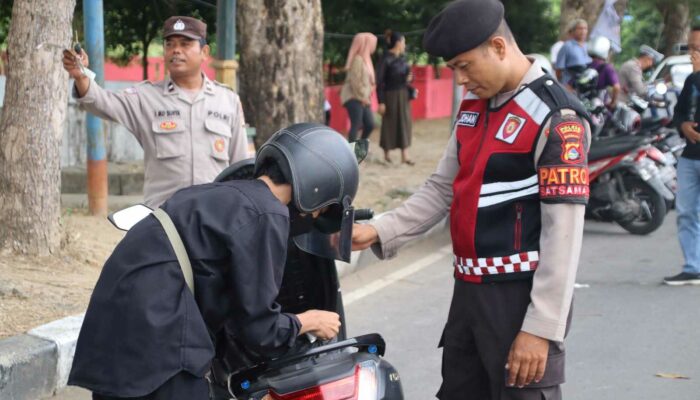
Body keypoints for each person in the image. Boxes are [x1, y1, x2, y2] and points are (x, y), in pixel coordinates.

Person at [352, 1, 591, 399]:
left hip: (519, 300)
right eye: (453, 70)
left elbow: (563, 237)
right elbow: (442, 188)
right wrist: (378, 230)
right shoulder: (475, 107)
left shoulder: (556, 117)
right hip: (468, 295)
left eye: (465, 65)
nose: (460, 80)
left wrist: (541, 327)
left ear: (498, 47)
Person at [67, 123, 359, 399]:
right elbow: (260, 329)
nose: (313, 216)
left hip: (110, 335)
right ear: (318, 189)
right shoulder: (267, 213)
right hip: (158, 345)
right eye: (321, 211)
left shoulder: (215, 194)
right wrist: (308, 321)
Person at [62, 16, 248, 208]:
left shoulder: (227, 100)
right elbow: (102, 102)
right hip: (164, 219)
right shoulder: (146, 97)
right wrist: (81, 77)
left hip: (215, 217)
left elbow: (241, 167)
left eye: (185, 44)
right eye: (170, 44)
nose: (176, 50)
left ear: (204, 52)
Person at [664, 26, 700, 286]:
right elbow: (679, 113)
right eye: (691, 48)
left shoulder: (695, 77)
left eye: (697, 48)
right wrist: (683, 126)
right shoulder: (690, 80)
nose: (692, 54)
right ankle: (692, 266)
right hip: (690, 156)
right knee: (686, 211)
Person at [376, 31, 414, 165]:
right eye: (403, 42)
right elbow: (379, 82)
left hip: (403, 94)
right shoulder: (385, 59)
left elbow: (406, 77)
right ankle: (386, 154)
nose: (405, 45)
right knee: (389, 122)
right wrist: (381, 101)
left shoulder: (403, 59)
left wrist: (409, 79)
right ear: (398, 43)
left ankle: (405, 155)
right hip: (390, 95)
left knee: (404, 122)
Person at [340, 32, 377, 142]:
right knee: (356, 124)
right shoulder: (358, 60)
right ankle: (351, 151)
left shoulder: (367, 60)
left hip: (363, 98)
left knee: (370, 124)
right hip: (354, 97)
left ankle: (360, 148)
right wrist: (362, 97)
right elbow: (355, 82)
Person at [554, 18, 592, 86]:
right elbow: (558, 70)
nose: (583, 31)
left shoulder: (589, 47)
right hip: (569, 86)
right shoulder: (567, 46)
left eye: (585, 28)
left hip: (586, 86)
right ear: (573, 31)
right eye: (580, 28)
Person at [587, 36, 620, 108]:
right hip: (598, 106)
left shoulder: (587, 65)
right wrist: (612, 103)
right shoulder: (608, 68)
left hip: (583, 103)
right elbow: (616, 87)